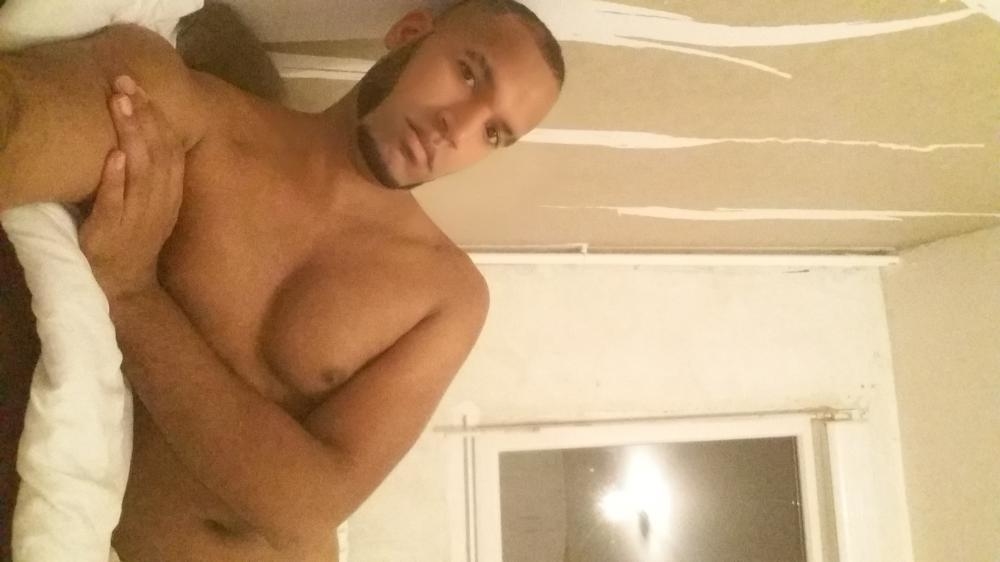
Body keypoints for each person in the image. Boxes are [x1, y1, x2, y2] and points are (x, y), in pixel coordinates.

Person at [0, 1, 565, 560]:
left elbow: (304, 513)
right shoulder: (194, 116)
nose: (457, 128)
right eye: (467, 73)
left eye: (494, 133)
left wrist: (134, 298)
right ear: (409, 33)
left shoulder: (446, 296)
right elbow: (22, 120)